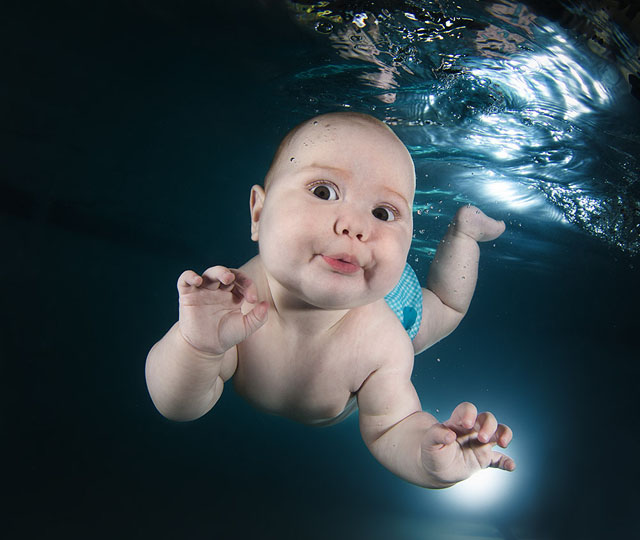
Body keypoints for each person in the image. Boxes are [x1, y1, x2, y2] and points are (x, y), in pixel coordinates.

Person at [145, 112, 515, 488]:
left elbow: (392, 426)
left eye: (383, 213)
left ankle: (464, 232)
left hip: (393, 302)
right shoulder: (230, 307)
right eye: (324, 192)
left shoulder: (382, 345)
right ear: (259, 212)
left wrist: (429, 456)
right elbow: (176, 405)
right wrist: (197, 346)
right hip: (359, 269)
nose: (356, 226)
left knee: (445, 306)